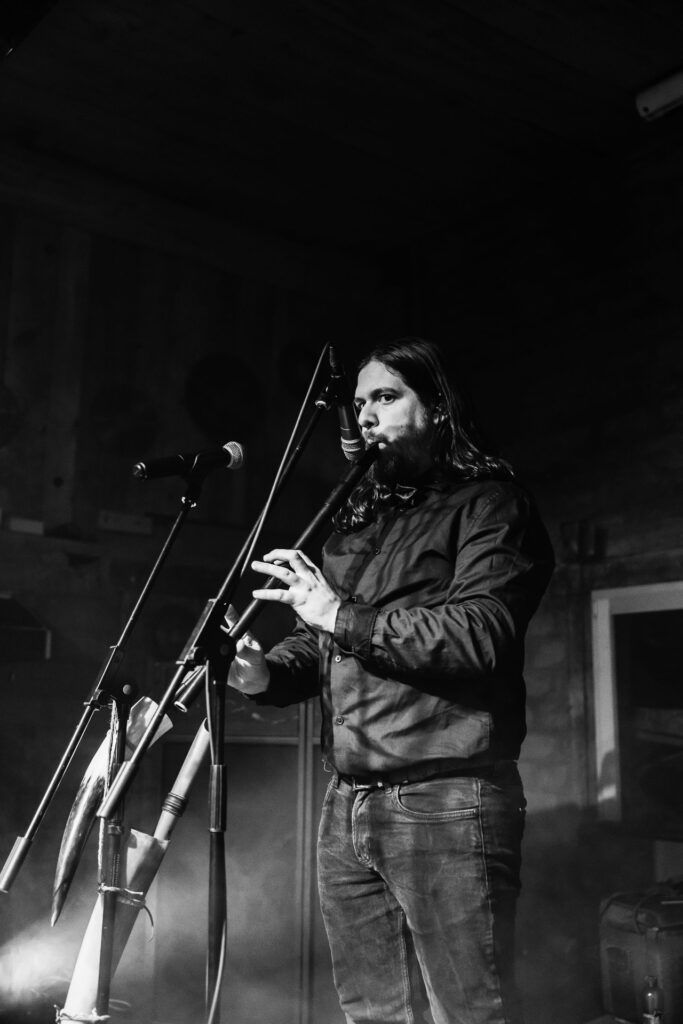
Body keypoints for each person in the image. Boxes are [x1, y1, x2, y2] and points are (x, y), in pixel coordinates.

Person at [227, 337, 554, 1024]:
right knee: (371, 1010)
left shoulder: (488, 504)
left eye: (385, 396)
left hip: (446, 795)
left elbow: (480, 634)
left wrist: (337, 613)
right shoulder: (356, 531)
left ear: (436, 406)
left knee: (470, 1011)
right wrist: (260, 673)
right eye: (359, 405)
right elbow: (321, 648)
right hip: (346, 802)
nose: (367, 416)